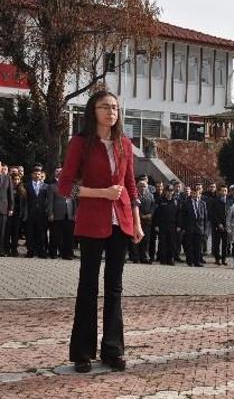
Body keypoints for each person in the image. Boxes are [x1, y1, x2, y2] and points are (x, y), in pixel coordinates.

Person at [58, 90, 144, 373]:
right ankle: (82, 352)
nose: (111, 112)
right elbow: (65, 187)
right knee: (88, 286)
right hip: (92, 221)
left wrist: (137, 222)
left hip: (121, 223)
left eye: (115, 107)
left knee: (115, 287)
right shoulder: (80, 143)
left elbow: (131, 186)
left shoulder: (124, 144)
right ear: (93, 111)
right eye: (105, 106)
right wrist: (101, 193)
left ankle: (113, 349)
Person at [47, 168, 76, 260]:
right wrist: (50, 213)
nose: (61, 173)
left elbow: (75, 201)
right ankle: (53, 253)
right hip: (57, 214)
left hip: (70, 214)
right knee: (55, 235)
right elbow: (50, 201)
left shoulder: (73, 186)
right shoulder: (52, 186)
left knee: (69, 235)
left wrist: (76, 213)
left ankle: (68, 254)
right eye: (58, 172)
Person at [178, 184, 207, 267]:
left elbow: (205, 217)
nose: (195, 195)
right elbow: (182, 216)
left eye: (197, 193)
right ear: (191, 194)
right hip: (189, 227)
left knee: (198, 246)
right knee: (189, 245)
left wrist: (204, 229)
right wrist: (183, 227)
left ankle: (197, 261)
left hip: (199, 227)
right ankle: (190, 261)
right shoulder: (186, 203)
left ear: (199, 194)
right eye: (193, 193)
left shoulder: (203, 203)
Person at [129, 180, 154, 264]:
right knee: (136, 240)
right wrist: (141, 215)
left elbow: (153, 206)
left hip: (147, 222)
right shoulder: (135, 196)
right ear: (137, 187)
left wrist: (150, 214)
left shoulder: (150, 196)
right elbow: (133, 206)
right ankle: (136, 257)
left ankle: (144, 257)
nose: (143, 188)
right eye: (141, 186)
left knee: (146, 240)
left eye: (144, 186)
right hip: (137, 221)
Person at [26, 165, 48, 258]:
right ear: (32, 175)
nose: (37, 175)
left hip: (42, 214)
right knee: (30, 233)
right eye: (35, 174)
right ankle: (30, 251)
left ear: (41, 175)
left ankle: (41, 251)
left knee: (41, 233)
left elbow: (48, 200)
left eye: (39, 174)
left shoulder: (46, 186)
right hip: (30, 213)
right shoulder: (26, 185)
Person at [154, 185, 179, 265]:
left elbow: (179, 214)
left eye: (171, 191)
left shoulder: (176, 201)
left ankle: (171, 258)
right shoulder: (160, 200)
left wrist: (179, 225)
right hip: (162, 225)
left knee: (172, 242)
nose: (170, 192)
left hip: (172, 225)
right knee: (162, 242)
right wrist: (156, 225)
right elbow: (156, 214)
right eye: (168, 191)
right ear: (165, 191)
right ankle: (163, 259)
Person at [209, 185, 229, 265]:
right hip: (217, 226)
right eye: (223, 190)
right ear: (219, 191)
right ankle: (217, 258)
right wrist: (218, 223)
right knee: (216, 243)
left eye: (225, 191)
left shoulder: (229, 201)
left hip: (227, 226)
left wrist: (228, 224)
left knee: (225, 244)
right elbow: (213, 214)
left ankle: (224, 259)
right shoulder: (215, 201)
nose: (224, 192)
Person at [6, 174, 26, 257]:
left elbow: (24, 204)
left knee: (15, 233)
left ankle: (14, 249)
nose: (16, 181)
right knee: (7, 233)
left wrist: (23, 214)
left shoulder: (22, 190)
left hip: (18, 215)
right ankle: (7, 249)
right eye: (14, 179)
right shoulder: (7, 188)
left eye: (18, 179)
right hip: (8, 214)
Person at [0, 159, 14, 257]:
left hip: (3, 209)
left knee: (2, 231)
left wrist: (11, 208)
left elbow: (10, 195)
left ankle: (1, 250)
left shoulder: (7, 178)